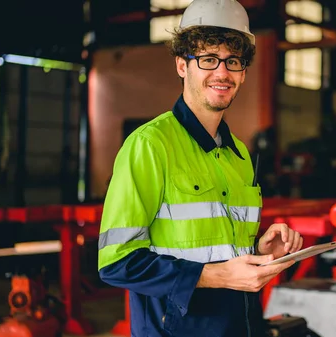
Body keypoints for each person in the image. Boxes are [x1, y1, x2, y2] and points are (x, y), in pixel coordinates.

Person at [97, 1, 304, 336]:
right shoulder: (150, 145)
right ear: (182, 65)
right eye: (208, 59)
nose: (222, 73)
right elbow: (117, 263)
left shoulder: (238, 153)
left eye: (232, 62)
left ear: (243, 72)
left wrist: (259, 251)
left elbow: (221, 249)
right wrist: (216, 275)